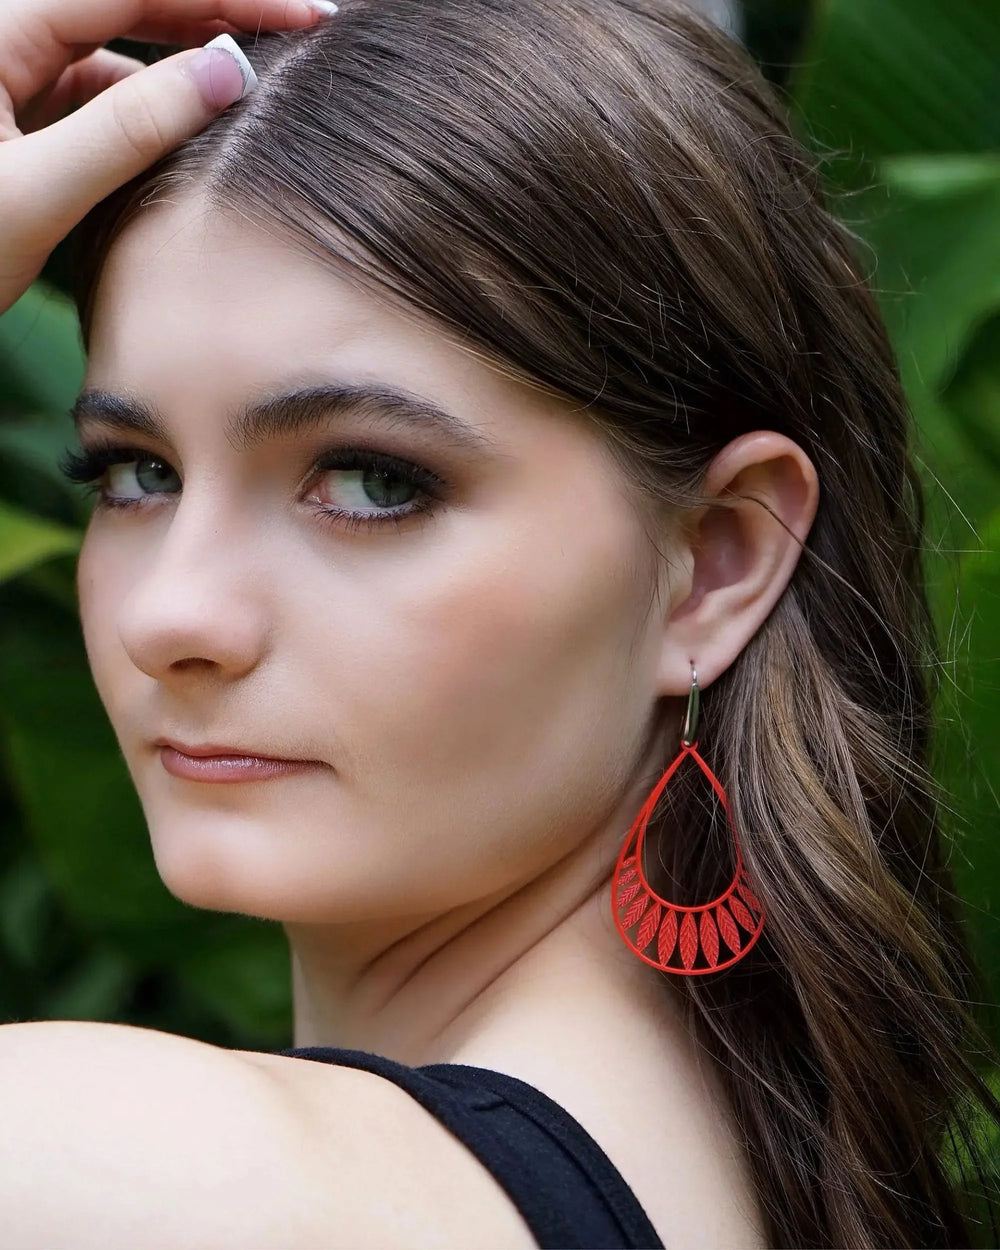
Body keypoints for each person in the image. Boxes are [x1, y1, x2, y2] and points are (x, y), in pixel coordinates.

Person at [2, 0, 999, 1246]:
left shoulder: (150, 1174)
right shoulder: (778, 1183)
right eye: (135, 472)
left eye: (372, 481)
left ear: (717, 564)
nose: (172, 612)